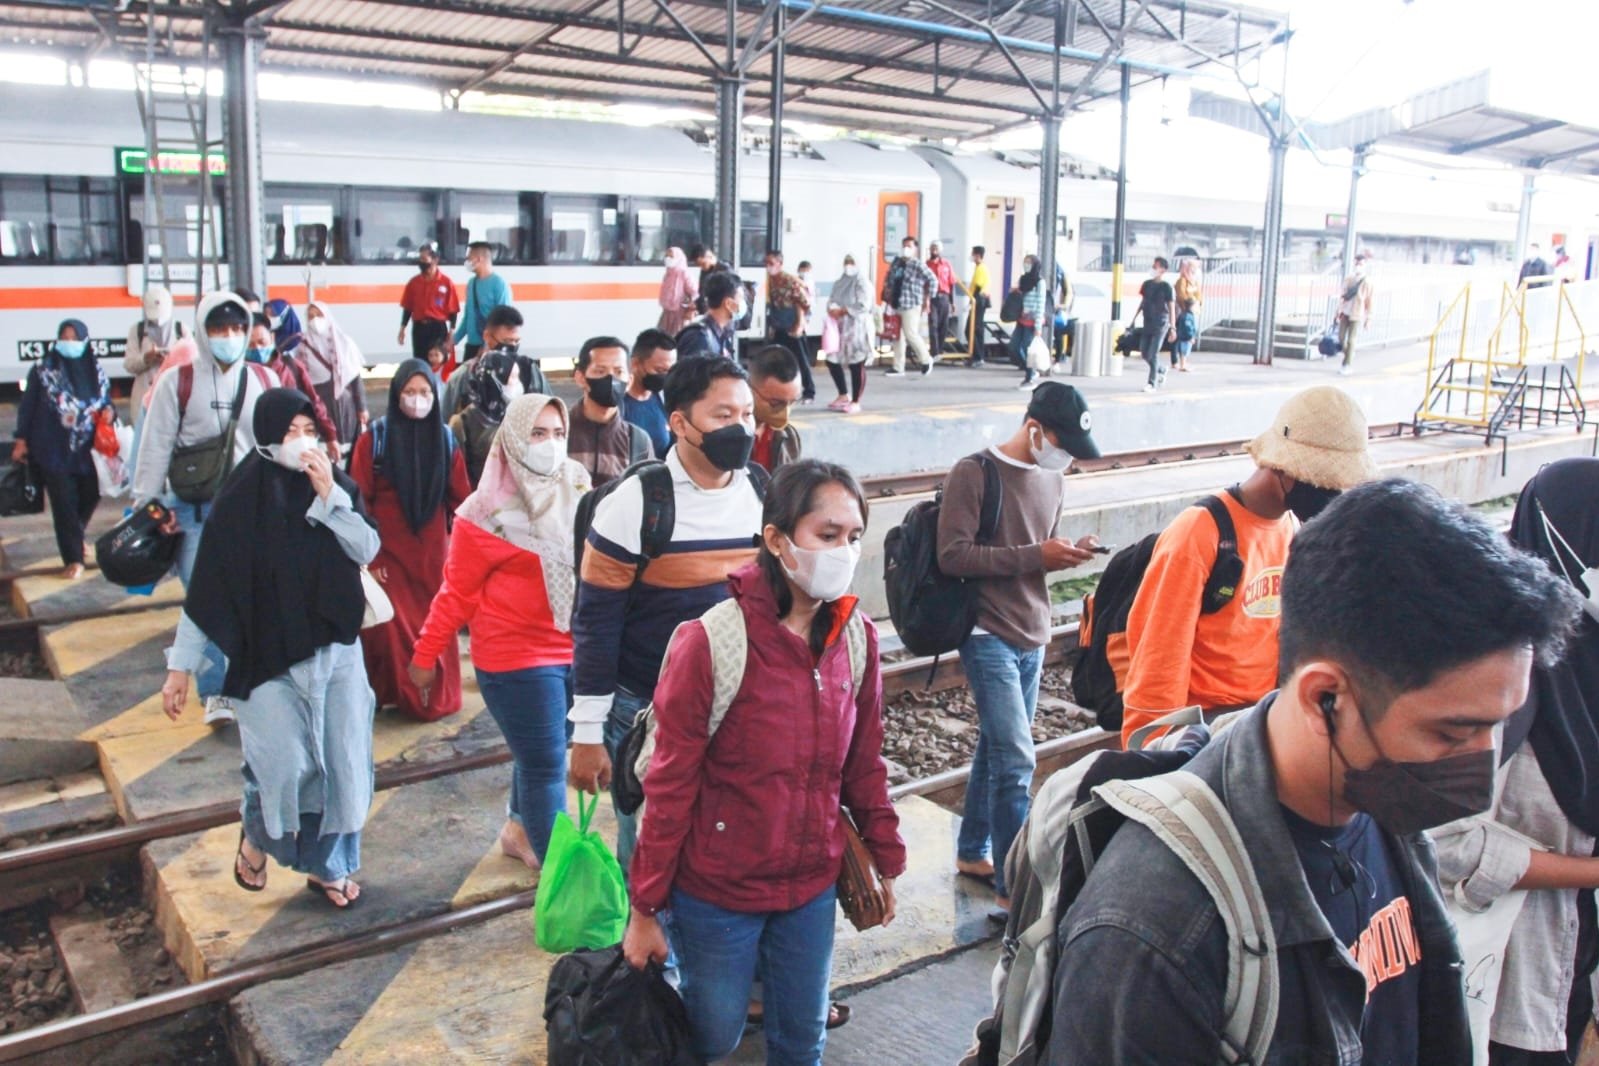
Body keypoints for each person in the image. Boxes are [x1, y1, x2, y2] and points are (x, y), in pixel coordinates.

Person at [1047, 478, 1581, 1064]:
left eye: (1497, 727)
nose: (1479, 763)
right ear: (1325, 698)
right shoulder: (1154, 928)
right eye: (1452, 733)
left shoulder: (1380, 801)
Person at [621, 459, 905, 1066]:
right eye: (827, 535)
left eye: (854, 536)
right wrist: (644, 908)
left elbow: (864, 762)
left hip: (810, 886)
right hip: (717, 893)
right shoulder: (711, 643)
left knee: (802, 1039)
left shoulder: (855, 638)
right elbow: (669, 787)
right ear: (776, 540)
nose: (844, 551)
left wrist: (885, 855)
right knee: (713, 1035)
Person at [159, 387, 381, 910]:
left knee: (344, 762)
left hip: (335, 650)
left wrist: (331, 498)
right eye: (289, 433)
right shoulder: (239, 503)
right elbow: (207, 593)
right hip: (267, 657)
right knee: (283, 766)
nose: (301, 443)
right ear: (264, 438)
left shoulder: (336, 486)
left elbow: (368, 547)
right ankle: (257, 834)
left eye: (309, 431)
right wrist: (179, 669)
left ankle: (330, 867)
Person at [568, 356, 766, 871]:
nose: (742, 429)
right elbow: (595, 623)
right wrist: (587, 733)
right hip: (646, 706)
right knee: (648, 848)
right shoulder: (638, 502)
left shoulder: (761, 491)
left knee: (724, 836)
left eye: (747, 414)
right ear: (679, 422)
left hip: (736, 702)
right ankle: (643, 923)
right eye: (723, 415)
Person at [1432, 458, 1599, 1066]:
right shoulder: (1500, 678)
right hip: (1495, 974)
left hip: (1571, 962)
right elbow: (1444, 840)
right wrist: (1587, 872)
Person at [1118, 385, 1378, 748]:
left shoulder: (1292, 528)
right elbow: (1158, 658)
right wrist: (1154, 749)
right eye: (1324, 481)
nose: (1333, 495)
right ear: (1285, 470)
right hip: (1202, 730)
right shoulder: (1199, 532)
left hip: (1257, 721)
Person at [937, 382, 1102, 910]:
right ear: (1034, 428)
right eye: (1061, 443)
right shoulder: (974, 472)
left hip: (1033, 629)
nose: (1065, 457)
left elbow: (1035, 553)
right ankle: (1014, 888)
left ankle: (972, 851)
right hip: (985, 631)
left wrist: (1068, 553)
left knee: (998, 748)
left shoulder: (1054, 478)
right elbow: (953, 556)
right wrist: (1037, 555)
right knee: (1015, 760)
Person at [410, 394, 590, 869]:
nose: (550, 444)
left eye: (557, 434)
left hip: (575, 648)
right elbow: (456, 593)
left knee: (541, 751)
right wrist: (426, 655)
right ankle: (559, 871)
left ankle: (518, 828)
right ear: (512, 438)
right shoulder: (483, 513)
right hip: (517, 658)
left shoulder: (577, 484)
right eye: (537, 434)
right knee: (546, 765)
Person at [134, 291, 276, 727]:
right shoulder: (177, 383)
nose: (228, 336)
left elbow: (277, 444)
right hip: (194, 512)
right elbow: (154, 447)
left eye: (236, 328)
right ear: (201, 331)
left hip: (251, 512)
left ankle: (251, 680)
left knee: (253, 599)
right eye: (218, 328)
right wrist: (149, 506)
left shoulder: (264, 379)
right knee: (205, 602)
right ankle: (216, 692)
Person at [349, 361, 471, 722]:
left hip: (433, 556)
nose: (417, 400)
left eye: (425, 392)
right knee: (390, 629)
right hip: (387, 554)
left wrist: (464, 552)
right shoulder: (375, 439)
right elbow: (360, 499)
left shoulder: (445, 440)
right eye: (409, 392)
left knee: (436, 626)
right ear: (396, 394)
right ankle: (396, 695)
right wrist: (370, 558)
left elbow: (461, 500)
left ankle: (433, 698)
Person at [14, 318, 110, 579]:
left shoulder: (95, 370)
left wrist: (109, 413)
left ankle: (75, 535)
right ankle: (73, 558)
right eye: (64, 338)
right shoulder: (42, 370)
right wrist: (21, 439)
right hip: (53, 449)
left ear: (85, 341)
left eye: (74, 338)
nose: (68, 343)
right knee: (64, 503)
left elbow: (106, 402)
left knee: (92, 493)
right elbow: (28, 406)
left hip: (89, 450)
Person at [249, 314, 340, 458]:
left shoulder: (293, 367)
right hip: (253, 448)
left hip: (291, 446)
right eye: (251, 345)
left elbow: (313, 403)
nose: (258, 349)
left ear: (272, 338)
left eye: (262, 342)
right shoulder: (242, 374)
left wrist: (330, 436)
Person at [568, 335, 652, 488]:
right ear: (581, 378)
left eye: (619, 372)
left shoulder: (638, 441)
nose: (611, 379)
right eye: (600, 371)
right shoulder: (558, 432)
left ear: (629, 381)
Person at [450, 347, 534, 488]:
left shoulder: (520, 415)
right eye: (513, 378)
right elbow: (458, 476)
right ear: (495, 381)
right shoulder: (463, 423)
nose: (518, 384)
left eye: (518, 377)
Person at [298, 301, 368, 447]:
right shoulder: (302, 346)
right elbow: (301, 381)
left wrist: (362, 407)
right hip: (319, 403)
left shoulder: (344, 343)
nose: (315, 320)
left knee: (348, 443)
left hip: (345, 404)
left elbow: (355, 378)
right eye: (311, 316)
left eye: (319, 315)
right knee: (325, 442)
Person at [125, 285, 184, 428]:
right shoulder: (137, 331)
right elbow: (129, 364)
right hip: (144, 399)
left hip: (174, 398)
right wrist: (146, 359)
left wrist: (171, 360)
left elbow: (193, 363)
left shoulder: (181, 330)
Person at [764, 250, 816, 404]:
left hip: (792, 325)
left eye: (771, 263)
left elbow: (803, 303)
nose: (768, 267)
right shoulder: (771, 280)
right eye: (766, 263)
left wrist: (799, 325)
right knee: (778, 360)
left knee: (801, 360)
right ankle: (781, 392)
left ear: (780, 264)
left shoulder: (790, 280)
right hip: (778, 324)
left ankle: (809, 391)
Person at [397, 242, 460, 363]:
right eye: (420, 259)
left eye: (424, 259)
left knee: (438, 361)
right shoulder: (414, 282)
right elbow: (408, 307)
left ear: (435, 260)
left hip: (437, 328)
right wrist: (402, 327)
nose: (421, 262)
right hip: (419, 328)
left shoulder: (446, 282)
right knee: (420, 362)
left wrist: (452, 330)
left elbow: (453, 309)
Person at [824, 254, 872, 413]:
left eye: (851, 263)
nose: (848, 266)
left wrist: (845, 310)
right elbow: (831, 299)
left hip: (856, 327)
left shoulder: (862, 282)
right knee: (831, 360)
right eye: (846, 263)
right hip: (839, 327)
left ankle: (856, 401)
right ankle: (843, 394)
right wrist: (832, 309)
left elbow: (864, 304)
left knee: (856, 363)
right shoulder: (840, 282)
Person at [885, 236, 938, 377]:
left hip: (912, 304)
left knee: (911, 333)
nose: (906, 249)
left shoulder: (917, 264)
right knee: (897, 336)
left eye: (909, 246)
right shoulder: (897, 263)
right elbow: (890, 279)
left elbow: (933, 279)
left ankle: (926, 359)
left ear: (915, 249)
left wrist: (928, 298)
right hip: (897, 303)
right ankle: (898, 367)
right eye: (904, 246)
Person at [454, 241, 513, 363]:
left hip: (491, 347)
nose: (467, 262)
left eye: (469, 258)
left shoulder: (499, 284)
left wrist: (487, 345)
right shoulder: (471, 284)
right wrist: (454, 340)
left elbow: (503, 320)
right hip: (472, 346)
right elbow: (468, 317)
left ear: (479, 259)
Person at [622, 328, 676, 458]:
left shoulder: (666, 400)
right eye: (660, 370)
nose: (665, 376)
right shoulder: (618, 405)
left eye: (670, 370)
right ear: (635, 363)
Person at [750, 344, 803, 473]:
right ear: (750, 390)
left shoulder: (790, 437)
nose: (785, 411)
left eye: (792, 402)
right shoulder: (728, 436)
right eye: (775, 403)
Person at [1131, 256, 1176, 393]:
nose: (1153, 268)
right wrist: (1134, 318)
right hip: (1148, 322)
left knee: (1153, 353)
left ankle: (1152, 383)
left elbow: (1171, 308)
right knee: (1144, 352)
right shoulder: (1146, 285)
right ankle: (1161, 369)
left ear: (1163, 270)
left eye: (1155, 266)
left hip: (1161, 323)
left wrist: (1173, 327)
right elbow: (1143, 302)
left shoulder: (1166, 287)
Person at [676, 271, 741, 361]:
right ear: (728, 303)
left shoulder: (720, 334)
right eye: (740, 298)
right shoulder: (699, 338)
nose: (742, 303)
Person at [1008, 255, 1047, 390]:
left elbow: (1041, 304)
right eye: (1025, 262)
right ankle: (1029, 370)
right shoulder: (1023, 280)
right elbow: (1020, 298)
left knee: (1027, 348)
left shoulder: (1040, 282)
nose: (1026, 265)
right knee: (1013, 346)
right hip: (1021, 319)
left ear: (1035, 265)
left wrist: (1038, 326)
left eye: (1029, 263)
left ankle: (1029, 378)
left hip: (1032, 321)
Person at [1335, 251, 1374, 376]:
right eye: (1357, 264)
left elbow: (1369, 301)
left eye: (1361, 264)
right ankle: (1350, 353)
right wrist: (1338, 311)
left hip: (1357, 314)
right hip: (1345, 311)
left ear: (1365, 265)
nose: (1358, 266)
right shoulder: (1349, 279)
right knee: (1341, 338)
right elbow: (1342, 296)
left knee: (1351, 339)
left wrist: (1368, 318)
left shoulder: (1367, 282)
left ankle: (1347, 364)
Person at [656, 246, 698, 337]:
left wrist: (689, 307)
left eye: (671, 256)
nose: (668, 259)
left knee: (677, 338)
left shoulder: (684, 273)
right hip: (667, 313)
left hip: (680, 314)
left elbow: (694, 292)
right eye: (666, 256)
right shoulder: (668, 274)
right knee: (661, 337)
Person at [927, 241, 956, 356]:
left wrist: (952, 302)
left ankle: (939, 349)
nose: (934, 250)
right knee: (933, 324)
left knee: (944, 325)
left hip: (944, 297)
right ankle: (934, 351)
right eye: (932, 248)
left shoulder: (946, 264)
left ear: (940, 250)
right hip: (932, 297)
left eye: (936, 248)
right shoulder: (927, 265)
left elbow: (951, 283)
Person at [964, 245, 991, 366]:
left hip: (979, 301)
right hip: (978, 300)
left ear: (978, 255)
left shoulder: (981, 268)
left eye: (973, 253)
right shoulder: (979, 267)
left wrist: (972, 300)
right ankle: (977, 356)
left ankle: (978, 356)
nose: (971, 256)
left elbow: (978, 286)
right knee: (975, 329)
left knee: (972, 329)